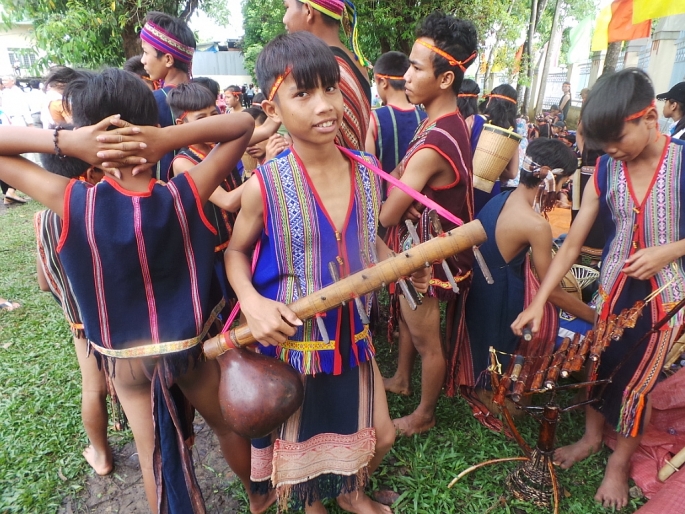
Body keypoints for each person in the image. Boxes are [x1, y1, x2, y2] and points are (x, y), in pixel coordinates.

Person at [0, 67, 273, 514]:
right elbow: (242, 125)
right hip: (187, 349)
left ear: (87, 135)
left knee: (153, 454)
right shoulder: (184, 191)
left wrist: (66, 142)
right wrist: (164, 140)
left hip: (125, 362)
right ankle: (259, 498)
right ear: (153, 126)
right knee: (225, 427)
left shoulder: (71, 199)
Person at [226, 31, 427, 513]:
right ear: (272, 110)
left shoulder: (366, 171)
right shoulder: (265, 186)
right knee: (303, 453)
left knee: (379, 437)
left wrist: (401, 271)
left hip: (350, 334)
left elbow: (366, 239)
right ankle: (319, 502)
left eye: (331, 89)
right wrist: (253, 304)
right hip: (293, 342)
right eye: (304, 93)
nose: (325, 105)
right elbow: (235, 254)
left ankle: (350, 493)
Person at [512, 68, 685, 510]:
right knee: (599, 361)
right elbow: (570, 244)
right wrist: (537, 302)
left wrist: (670, 251)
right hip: (611, 290)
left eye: (615, 141)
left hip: (663, 297)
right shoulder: (608, 167)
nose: (609, 152)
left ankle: (618, 466)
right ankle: (591, 438)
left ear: (650, 118)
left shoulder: (682, 162)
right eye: (602, 145)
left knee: (637, 380)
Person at [380, 11, 478, 436]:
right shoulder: (445, 122)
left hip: (427, 258)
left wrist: (400, 194)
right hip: (423, 243)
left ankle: (424, 415)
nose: (406, 76)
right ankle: (402, 379)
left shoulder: (434, 140)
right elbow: (405, 191)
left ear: (444, 79)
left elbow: (385, 214)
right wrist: (408, 192)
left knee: (426, 339)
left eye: (416, 67)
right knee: (408, 318)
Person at [455, 138, 595, 429]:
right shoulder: (536, 225)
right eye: (564, 183)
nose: (563, 191)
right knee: (507, 389)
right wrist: (595, 317)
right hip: (502, 304)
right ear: (548, 176)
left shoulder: (501, 197)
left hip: (478, 296)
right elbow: (552, 292)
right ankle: (494, 394)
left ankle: (487, 385)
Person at [34, 148, 121, 476]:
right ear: (93, 171)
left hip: (80, 321)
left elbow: (44, 283)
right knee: (135, 385)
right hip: (120, 316)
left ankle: (101, 455)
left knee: (92, 389)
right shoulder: (104, 206)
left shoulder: (42, 218)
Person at [283, 0, 371, 151]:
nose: (284, 19)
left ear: (308, 10)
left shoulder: (321, 69)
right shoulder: (356, 62)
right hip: (354, 169)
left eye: (287, 8)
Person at [140, 11, 196, 182]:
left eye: (145, 52)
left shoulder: (153, 101)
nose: (142, 60)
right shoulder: (206, 97)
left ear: (168, 59)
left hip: (169, 196)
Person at [365, 51, 426, 178]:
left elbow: (368, 169)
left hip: (383, 196)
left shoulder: (374, 120)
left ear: (383, 82)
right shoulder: (425, 118)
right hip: (418, 196)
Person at [469, 84, 520, 215]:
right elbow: (513, 173)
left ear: (490, 101)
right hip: (492, 190)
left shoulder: (473, 120)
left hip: (468, 185)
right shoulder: (511, 133)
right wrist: (494, 167)